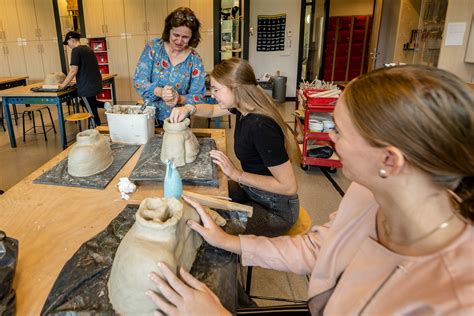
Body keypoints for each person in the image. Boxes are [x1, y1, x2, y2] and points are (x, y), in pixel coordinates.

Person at [147, 65, 474, 315]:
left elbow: (286, 187)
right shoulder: (365, 195)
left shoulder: (453, 300)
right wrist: (229, 241)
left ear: (390, 159)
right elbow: (320, 249)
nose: (324, 138)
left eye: (340, 132)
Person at [170, 57, 300, 237]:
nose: (212, 94)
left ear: (236, 88)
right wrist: (189, 108)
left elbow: (288, 186)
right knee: (205, 197)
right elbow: (213, 110)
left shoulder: (261, 126)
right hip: (253, 192)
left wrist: (236, 174)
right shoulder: (242, 107)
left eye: (216, 89)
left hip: (276, 209)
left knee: (210, 227)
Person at [133, 7, 205, 126]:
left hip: (178, 121)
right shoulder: (154, 48)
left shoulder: (195, 59)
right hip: (150, 118)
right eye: (176, 35)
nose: (179, 41)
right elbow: (139, 81)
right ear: (168, 31)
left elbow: (198, 97)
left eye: (185, 37)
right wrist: (160, 92)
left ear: (192, 37)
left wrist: (179, 98)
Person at [59, 31, 107, 126]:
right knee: (90, 104)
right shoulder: (88, 49)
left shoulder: (76, 51)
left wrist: (63, 85)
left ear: (71, 40)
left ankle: (97, 131)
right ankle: (104, 105)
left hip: (86, 87)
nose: (68, 45)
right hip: (94, 84)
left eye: (67, 43)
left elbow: (73, 71)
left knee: (91, 111)